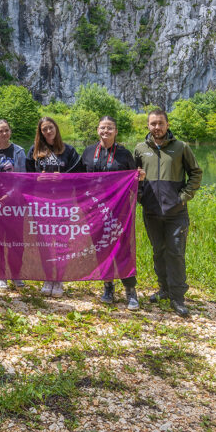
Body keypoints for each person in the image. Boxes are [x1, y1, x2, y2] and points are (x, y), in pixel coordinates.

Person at [134, 108, 202, 318]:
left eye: (160, 123)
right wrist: (140, 196)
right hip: (152, 212)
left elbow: (196, 173)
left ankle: (178, 298)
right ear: (148, 126)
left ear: (167, 124)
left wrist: (183, 197)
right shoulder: (139, 149)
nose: (157, 127)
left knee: (175, 252)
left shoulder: (181, 147)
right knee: (158, 251)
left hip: (176, 212)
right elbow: (133, 178)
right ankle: (163, 289)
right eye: (153, 123)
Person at [82, 115, 140, 309]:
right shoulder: (89, 152)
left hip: (119, 210)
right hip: (95, 211)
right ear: (97, 130)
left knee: (123, 249)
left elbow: (133, 180)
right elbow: (79, 180)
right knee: (102, 248)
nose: (105, 131)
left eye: (109, 128)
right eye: (102, 128)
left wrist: (139, 177)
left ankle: (130, 291)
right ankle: (108, 286)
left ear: (116, 131)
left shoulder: (124, 154)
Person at [26, 116, 82, 297]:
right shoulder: (34, 151)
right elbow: (25, 177)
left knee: (61, 241)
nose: (48, 131)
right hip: (42, 204)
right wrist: (37, 178)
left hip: (63, 204)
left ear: (56, 128)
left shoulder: (70, 151)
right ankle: (47, 277)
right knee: (44, 241)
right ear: (40, 132)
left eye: (50, 128)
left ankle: (59, 279)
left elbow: (79, 176)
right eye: (44, 129)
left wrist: (62, 177)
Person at [0, 118, 26, 290]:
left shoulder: (19, 151)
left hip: (15, 203)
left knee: (16, 240)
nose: (4, 134)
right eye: (1, 131)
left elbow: (22, 178)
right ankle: (0, 275)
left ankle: (16, 274)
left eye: (7, 130)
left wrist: (8, 195)